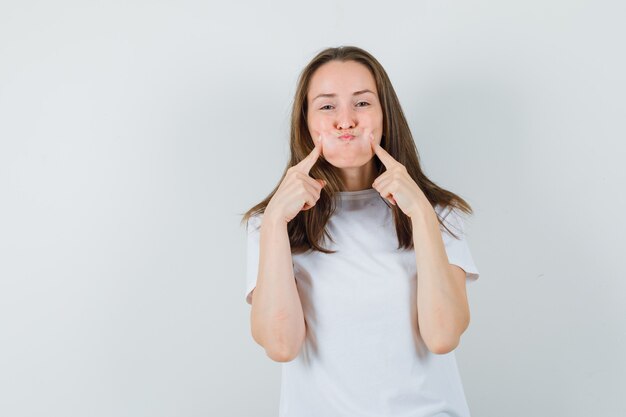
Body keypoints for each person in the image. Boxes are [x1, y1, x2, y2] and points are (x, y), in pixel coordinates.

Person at [240, 45, 480, 417]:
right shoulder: (271, 223)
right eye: (327, 105)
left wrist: (420, 214)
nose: (345, 120)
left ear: (386, 114)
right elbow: (281, 345)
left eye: (362, 103)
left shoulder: (437, 213)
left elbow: (443, 336)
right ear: (305, 120)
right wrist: (274, 223)